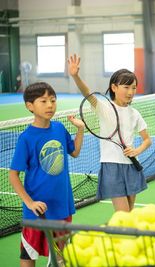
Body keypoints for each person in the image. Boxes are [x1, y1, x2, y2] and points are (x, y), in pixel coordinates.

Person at [9, 82, 84, 267]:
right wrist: (29, 202)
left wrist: (80, 130)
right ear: (30, 106)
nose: (50, 105)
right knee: (28, 254)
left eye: (53, 100)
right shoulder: (26, 138)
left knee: (60, 256)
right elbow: (13, 175)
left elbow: (74, 152)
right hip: (37, 211)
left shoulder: (59, 128)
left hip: (62, 206)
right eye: (43, 101)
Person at [68, 54, 152, 212]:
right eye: (126, 87)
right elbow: (88, 94)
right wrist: (75, 76)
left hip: (132, 165)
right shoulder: (104, 108)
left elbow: (147, 140)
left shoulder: (135, 113)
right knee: (123, 213)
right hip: (112, 166)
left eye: (133, 87)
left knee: (130, 211)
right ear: (114, 87)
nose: (131, 91)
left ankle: (124, 237)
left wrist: (137, 150)